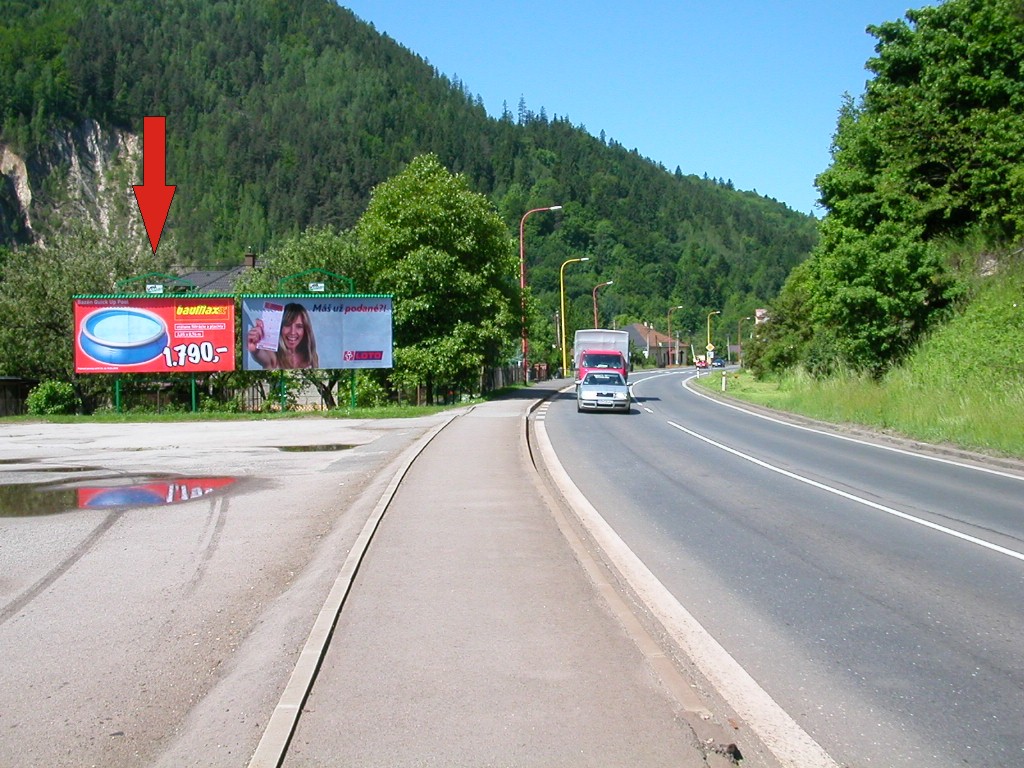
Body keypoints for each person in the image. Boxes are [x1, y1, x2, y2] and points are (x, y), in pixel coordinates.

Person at [247, 302, 319, 369]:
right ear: (280, 327)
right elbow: (264, 359)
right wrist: (255, 349)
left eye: (299, 326)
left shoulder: (311, 356)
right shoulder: (273, 354)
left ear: (305, 330)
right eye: (287, 325)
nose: (292, 332)